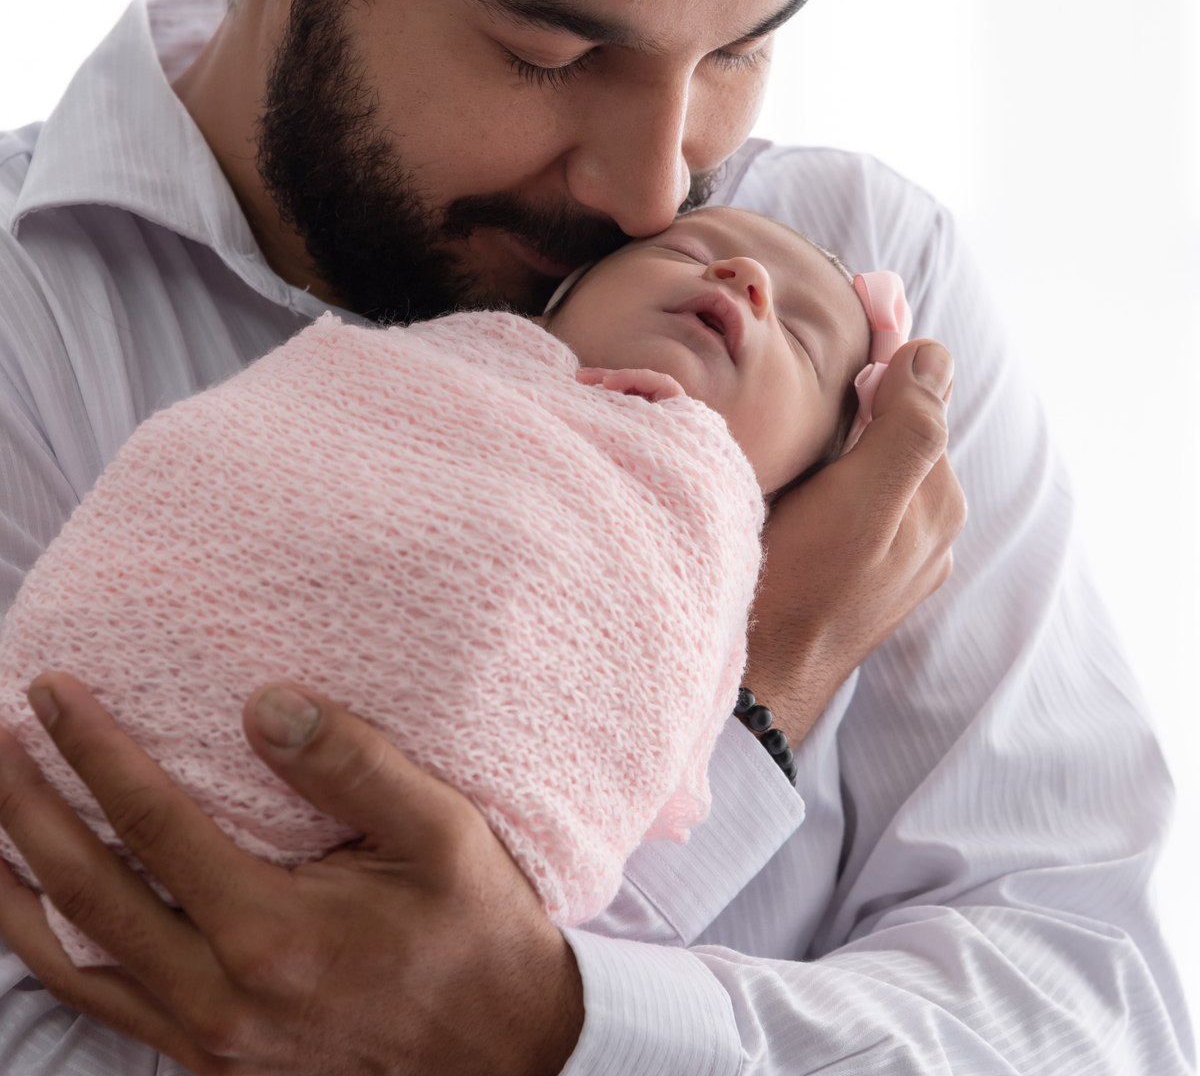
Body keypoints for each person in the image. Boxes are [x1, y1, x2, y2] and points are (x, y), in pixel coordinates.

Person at [0, 0, 1190, 1076]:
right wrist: (752, 696)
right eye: (554, 52)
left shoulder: (855, 308)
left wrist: (540, 1037)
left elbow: (1097, 1050)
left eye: (738, 50)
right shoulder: (25, 333)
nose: (659, 186)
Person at [0, 208, 903, 970]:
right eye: (689, 251)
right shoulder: (427, 364)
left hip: (370, 861)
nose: (744, 278)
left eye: (801, 336)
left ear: (798, 482)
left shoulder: (700, 535)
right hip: (112, 702)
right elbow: (246, 454)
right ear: (561, 299)